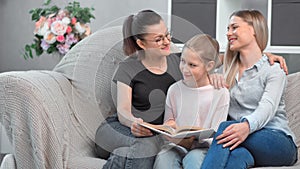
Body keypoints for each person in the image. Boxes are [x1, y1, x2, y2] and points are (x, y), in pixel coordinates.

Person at [94, 9, 288, 169]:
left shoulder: (177, 60)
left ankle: (124, 156)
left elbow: (209, 54)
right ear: (141, 43)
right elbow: (123, 111)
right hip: (131, 129)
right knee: (150, 147)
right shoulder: (129, 67)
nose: (167, 42)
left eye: (167, 35)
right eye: (159, 39)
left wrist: (266, 56)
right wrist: (134, 123)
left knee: (215, 135)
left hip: (173, 136)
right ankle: (119, 158)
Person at [200, 9, 298, 169]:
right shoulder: (226, 69)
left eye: (234, 27)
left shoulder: (273, 69)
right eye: (227, 29)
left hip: (278, 142)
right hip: (243, 141)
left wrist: (246, 127)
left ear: (253, 30)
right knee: (238, 157)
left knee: (225, 128)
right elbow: (192, 65)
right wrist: (209, 76)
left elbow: (267, 107)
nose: (228, 33)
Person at [153, 34, 230, 169]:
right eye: (182, 61)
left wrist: (193, 142)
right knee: (164, 157)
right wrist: (170, 128)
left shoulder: (220, 93)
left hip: (203, 148)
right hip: (176, 145)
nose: (185, 69)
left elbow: (216, 134)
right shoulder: (174, 90)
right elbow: (169, 123)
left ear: (209, 66)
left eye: (192, 65)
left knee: (193, 159)